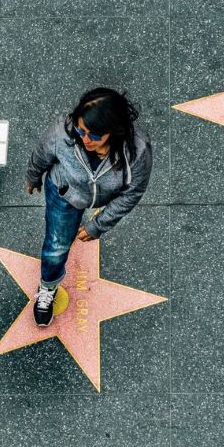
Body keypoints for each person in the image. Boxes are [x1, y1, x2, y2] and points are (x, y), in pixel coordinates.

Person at [25, 87, 153, 326]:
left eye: (94, 136)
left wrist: (99, 225)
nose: (85, 139)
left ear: (113, 132)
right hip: (64, 192)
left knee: (59, 243)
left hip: (102, 196)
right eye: (81, 130)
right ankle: (48, 287)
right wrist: (33, 176)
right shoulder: (62, 132)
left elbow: (132, 192)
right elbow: (42, 153)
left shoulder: (137, 152)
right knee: (56, 245)